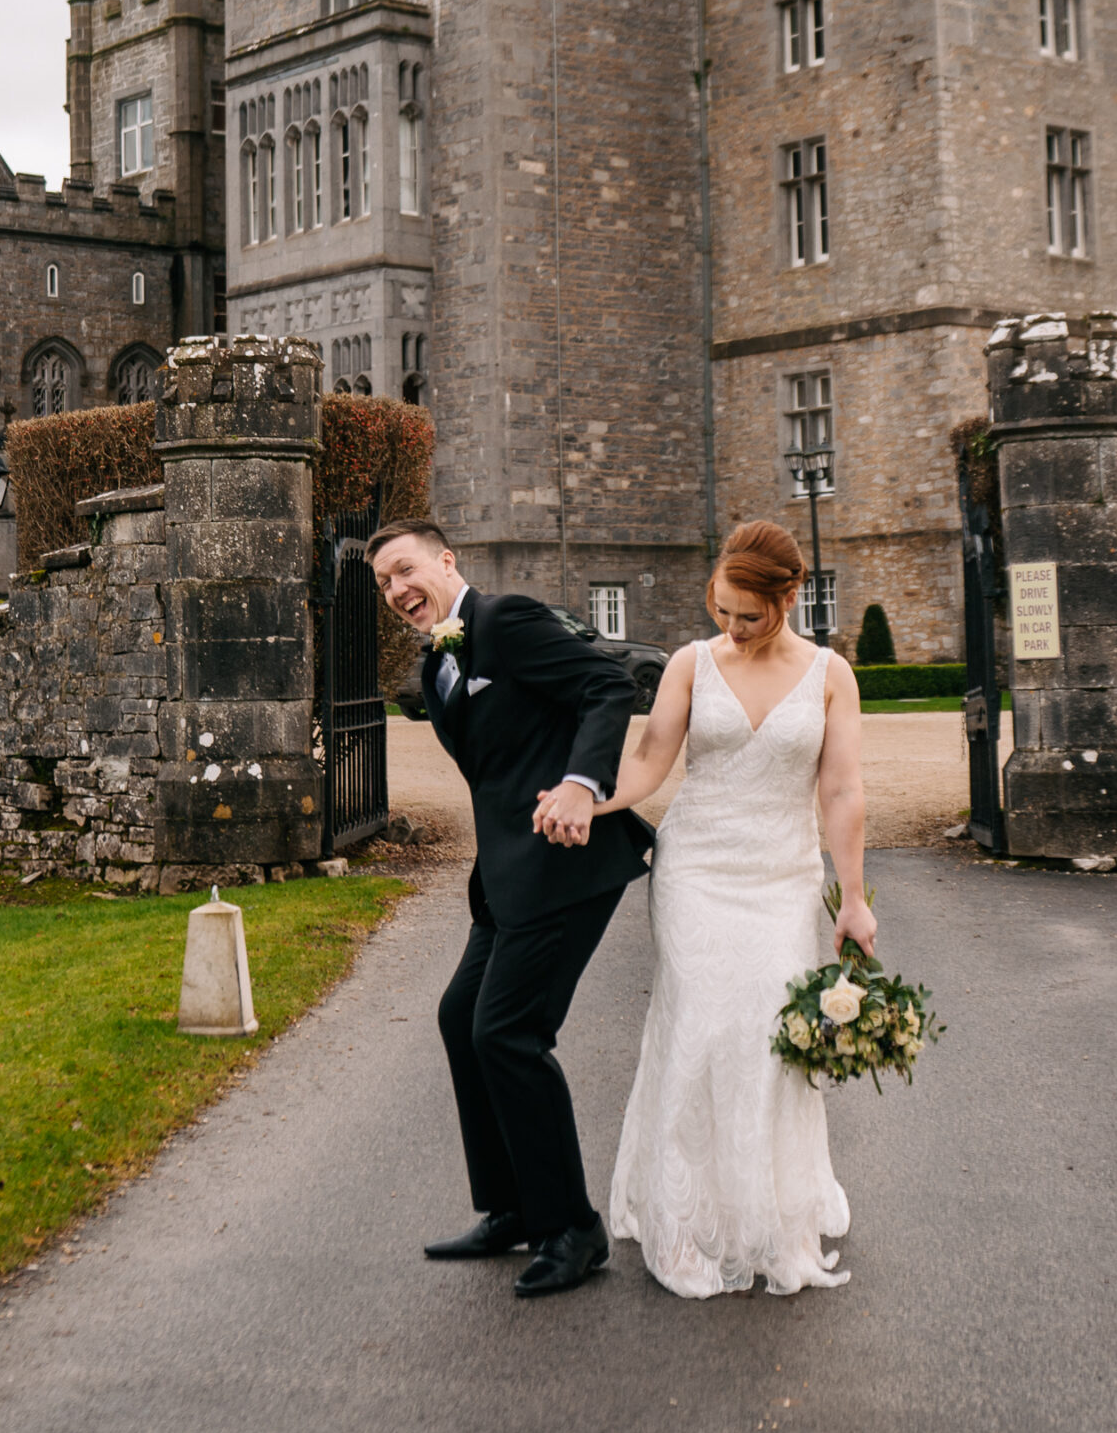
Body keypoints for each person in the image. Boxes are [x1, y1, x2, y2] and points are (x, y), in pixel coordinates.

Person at [578, 518, 875, 1299]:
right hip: (696, 872)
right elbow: (649, 760)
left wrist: (853, 899)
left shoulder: (829, 674)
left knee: (768, 1035)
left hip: (779, 876)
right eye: (722, 612)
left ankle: (768, 1216)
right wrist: (590, 801)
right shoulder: (688, 664)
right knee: (700, 1025)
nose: (734, 629)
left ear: (789, 597)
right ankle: (682, 1223)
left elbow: (841, 790)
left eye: (751, 615)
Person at [368, 518, 653, 1297]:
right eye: (383, 584)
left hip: (567, 866)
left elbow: (607, 684)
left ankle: (572, 1228)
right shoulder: (436, 671)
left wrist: (580, 783)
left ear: (445, 561)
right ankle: (512, 1208)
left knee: (509, 1034)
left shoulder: (509, 619)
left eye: (404, 570)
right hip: (503, 878)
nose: (396, 592)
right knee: (462, 1019)